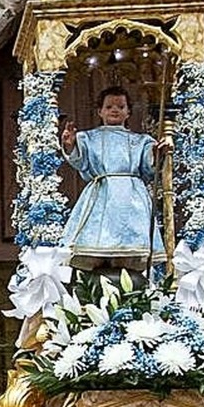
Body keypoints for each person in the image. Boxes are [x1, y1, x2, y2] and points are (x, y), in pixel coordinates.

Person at [60, 86, 166, 271]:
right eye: (109, 107)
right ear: (100, 111)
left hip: (132, 198)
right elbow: (80, 161)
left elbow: (150, 169)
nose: (115, 110)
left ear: (128, 111)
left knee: (128, 253)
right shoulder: (88, 138)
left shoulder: (141, 141)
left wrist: (157, 155)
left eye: (120, 106)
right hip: (101, 195)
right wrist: (69, 146)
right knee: (98, 249)